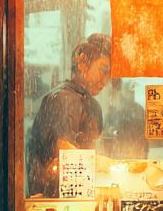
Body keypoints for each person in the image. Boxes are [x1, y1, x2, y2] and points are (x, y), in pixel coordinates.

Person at [27, 33, 111, 195]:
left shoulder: (94, 106)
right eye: (103, 70)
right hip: (52, 199)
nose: (105, 80)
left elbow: (95, 148)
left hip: (81, 197)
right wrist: (109, 165)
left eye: (109, 74)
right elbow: (65, 152)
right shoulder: (62, 99)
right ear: (82, 62)